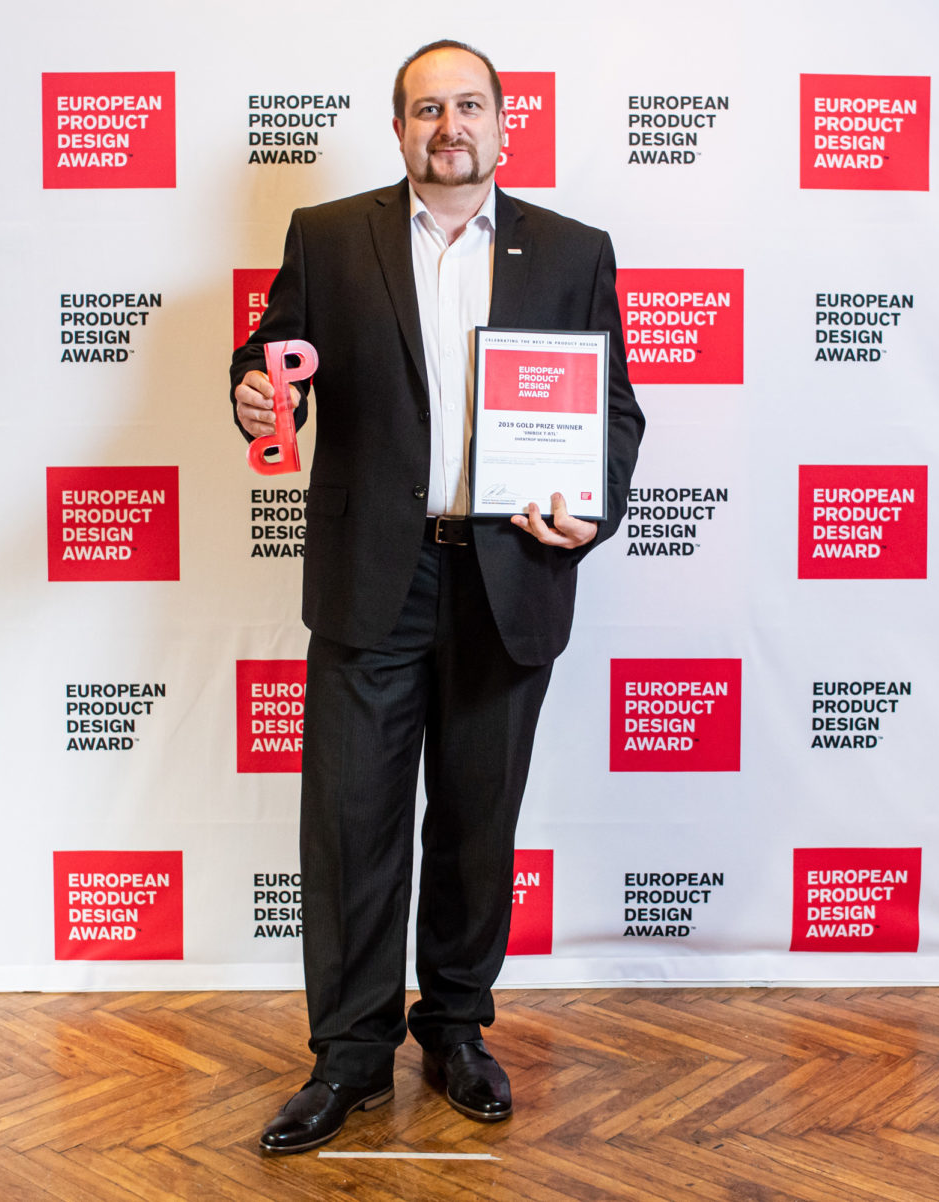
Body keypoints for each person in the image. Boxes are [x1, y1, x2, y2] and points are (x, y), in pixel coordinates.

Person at [230, 39, 644, 1155]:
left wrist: (593, 508)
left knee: (475, 820)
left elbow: (613, 410)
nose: (448, 126)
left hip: (509, 573)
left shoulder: (573, 249)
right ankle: (348, 1054)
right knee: (352, 822)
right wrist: (257, 398)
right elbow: (270, 361)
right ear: (399, 128)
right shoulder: (328, 236)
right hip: (376, 572)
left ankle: (456, 1030)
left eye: (468, 106)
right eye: (426, 109)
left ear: (505, 124)